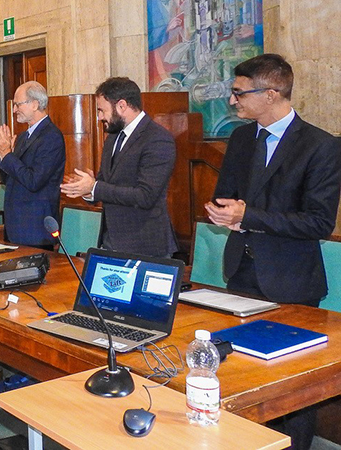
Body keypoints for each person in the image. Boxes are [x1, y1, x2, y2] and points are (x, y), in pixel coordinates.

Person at [205, 54, 341, 450]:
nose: (232, 101)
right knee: (242, 375)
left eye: (239, 93)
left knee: (291, 388)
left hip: (291, 281)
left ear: (271, 93)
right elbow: (227, 196)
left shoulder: (320, 145)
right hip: (241, 272)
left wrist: (249, 216)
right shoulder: (241, 138)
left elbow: (318, 222)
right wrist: (224, 213)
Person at [60, 77, 178, 258]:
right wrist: (87, 189)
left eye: (102, 110)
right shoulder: (113, 138)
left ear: (122, 106)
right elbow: (105, 184)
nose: (99, 117)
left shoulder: (157, 139)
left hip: (145, 247)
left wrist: (95, 187)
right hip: (111, 242)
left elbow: (145, 196)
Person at [0, 81, 66, 249]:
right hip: (16, 227)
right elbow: (8, 180)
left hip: (35, 230)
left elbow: (34, 181)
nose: (14, 109)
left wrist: (7, 154)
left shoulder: (51, 137)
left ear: (35, 104)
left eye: (18, 104)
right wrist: (4, 156)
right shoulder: (24, 136)